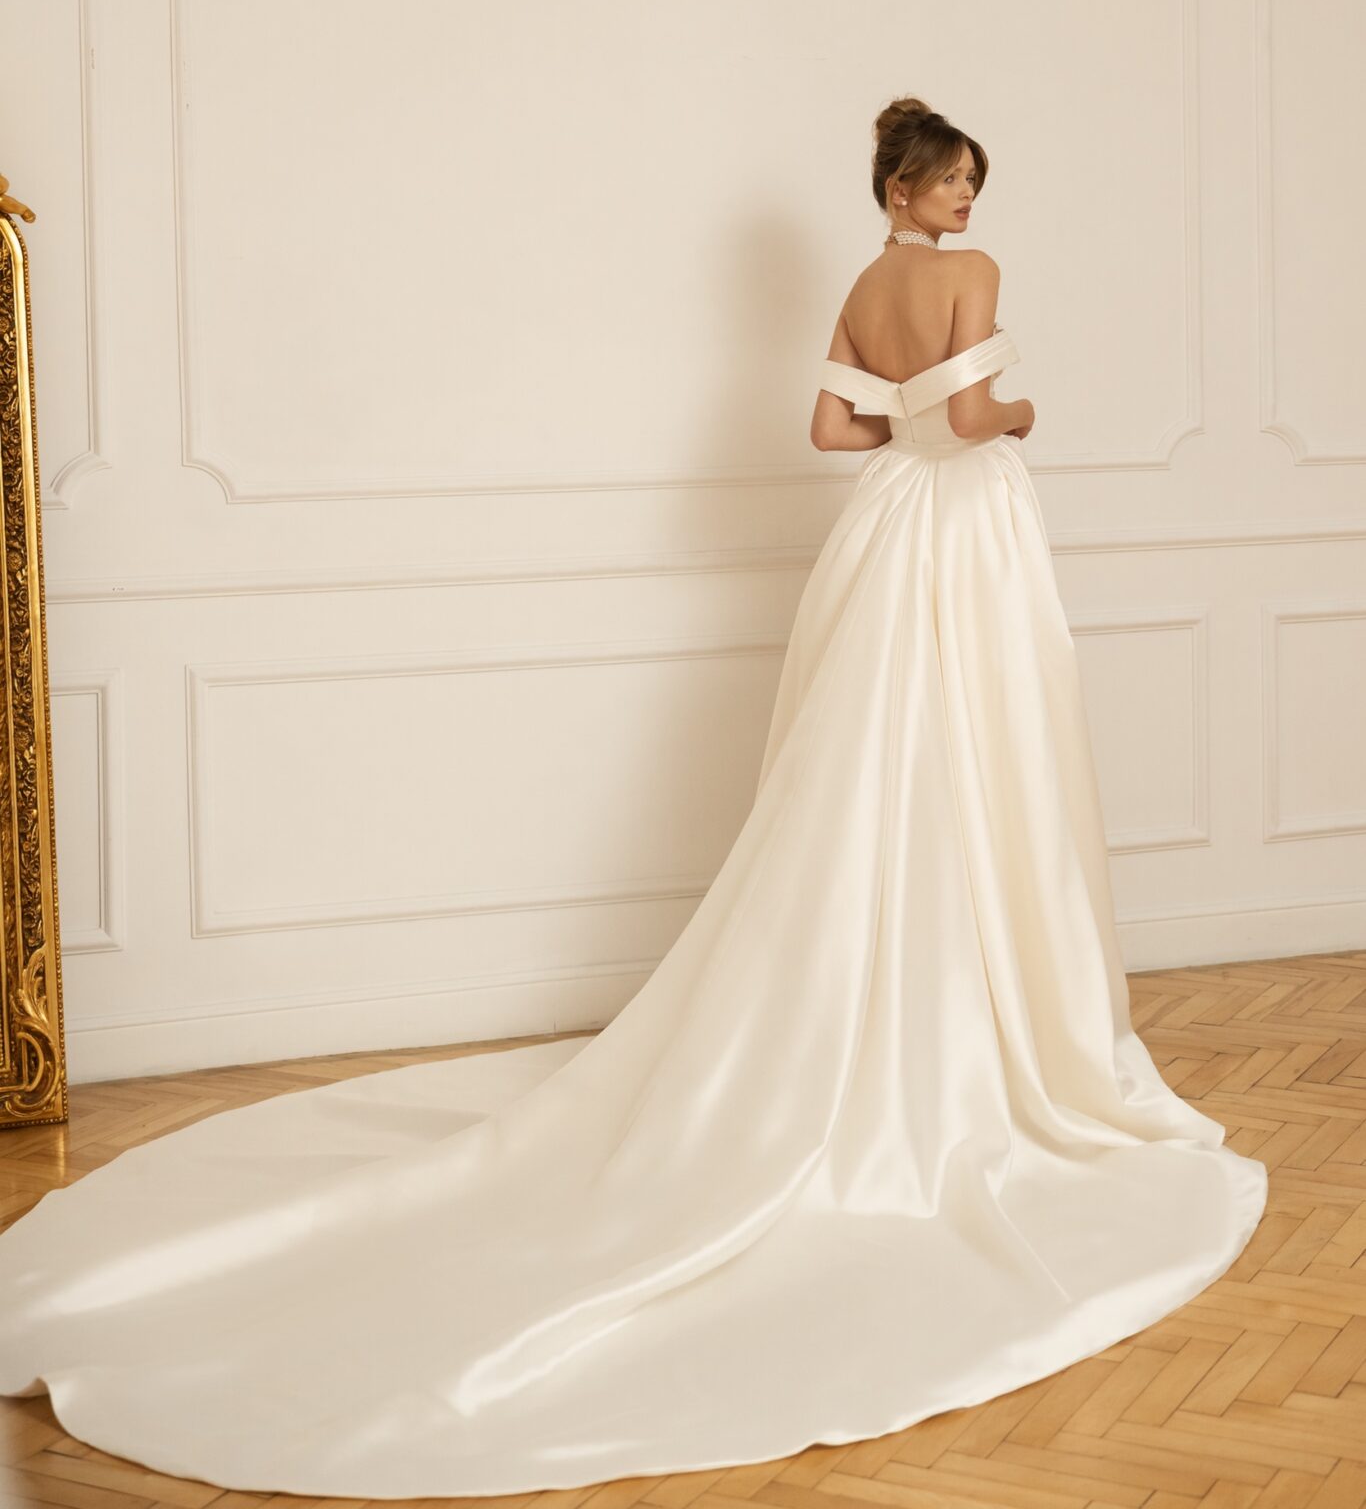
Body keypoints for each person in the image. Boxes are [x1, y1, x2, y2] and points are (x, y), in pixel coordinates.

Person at [0, 96, 1267, 1498]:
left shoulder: (864, 288)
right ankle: (985, 1013)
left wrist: (915, 428)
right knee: (987, 746)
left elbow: (830, 433)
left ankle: (896, 1000)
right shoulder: (974, 276)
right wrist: (1016, 413)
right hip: (967, 529)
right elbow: (971, 419)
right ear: (902, 188)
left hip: (882, 535)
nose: (966, 199)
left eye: (972, 181)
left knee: (869, 766)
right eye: (948, 181)